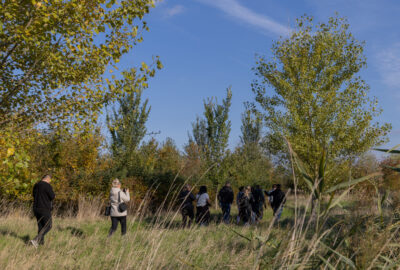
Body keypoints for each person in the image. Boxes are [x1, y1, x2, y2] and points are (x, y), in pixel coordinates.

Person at [30, 174, 55, 248]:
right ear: (48, 179)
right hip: (44, 208)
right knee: (48, 226)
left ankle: (40, 244)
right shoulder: (47, 186)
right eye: (50, 180)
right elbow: (52, 196)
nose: (50, 182)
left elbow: (33, 195)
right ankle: (36, 240)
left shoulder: (36, 185)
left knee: (41, 226)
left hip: (36, 208)